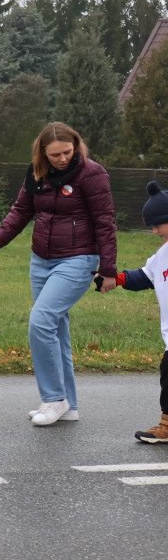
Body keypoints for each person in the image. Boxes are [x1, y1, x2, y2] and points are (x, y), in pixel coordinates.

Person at [0, 122, 117, 426]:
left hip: (78, 260)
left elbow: (105, 222)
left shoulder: (92, 174)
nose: (63, 159)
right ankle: (70, 405)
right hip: (41, 261)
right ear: (43, 152)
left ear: (76, 146)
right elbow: (20, 211)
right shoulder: (37, 173)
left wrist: (108, 271)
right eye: (55, 154)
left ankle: (53, 399)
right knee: (55, 329)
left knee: (40, 322)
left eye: (68, 152)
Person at [112, 181, 168, 443]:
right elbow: (144, 277)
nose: (155, 230)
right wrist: (117, 278)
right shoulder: (162, 254)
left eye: (158, 224)